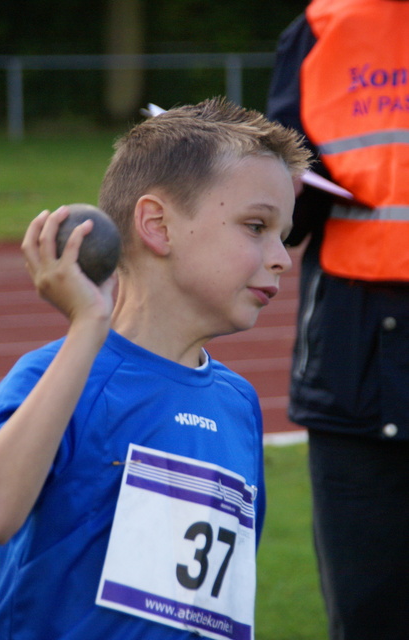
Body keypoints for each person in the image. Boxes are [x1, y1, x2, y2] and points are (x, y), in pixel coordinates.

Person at [0, 97, 310, 640]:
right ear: (157, 225)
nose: (281, 257)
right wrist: (88, 324)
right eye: (256, 226)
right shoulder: (61, 375)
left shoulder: (238, 403)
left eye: (284, 234)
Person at [267, 1, 409, 639]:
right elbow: (286, 218)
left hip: (351, 363)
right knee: (367, 617)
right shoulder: (321, 29)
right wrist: (283, 190)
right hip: (352, 367)